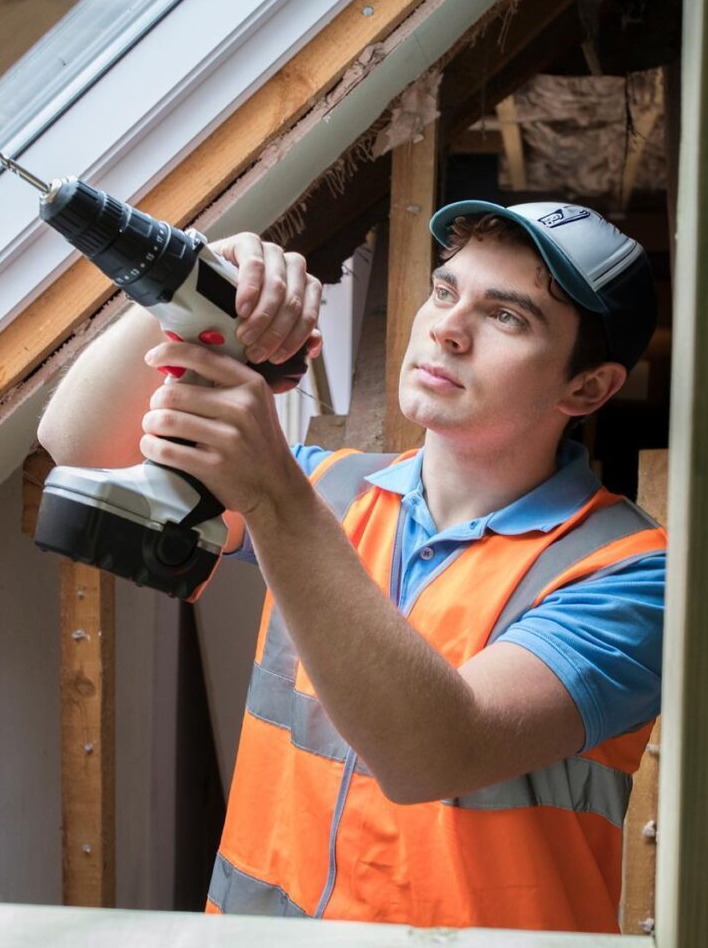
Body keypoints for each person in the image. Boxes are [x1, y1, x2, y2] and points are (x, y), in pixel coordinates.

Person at [37, 200, 666, 933]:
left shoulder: (630, 575)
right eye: (445, 291)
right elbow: (78, 443)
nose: (448, 329)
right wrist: (193, 284)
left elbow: (433, 754)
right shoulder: (331, 490)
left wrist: (274, 495)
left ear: (587, 388)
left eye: (506, 317)